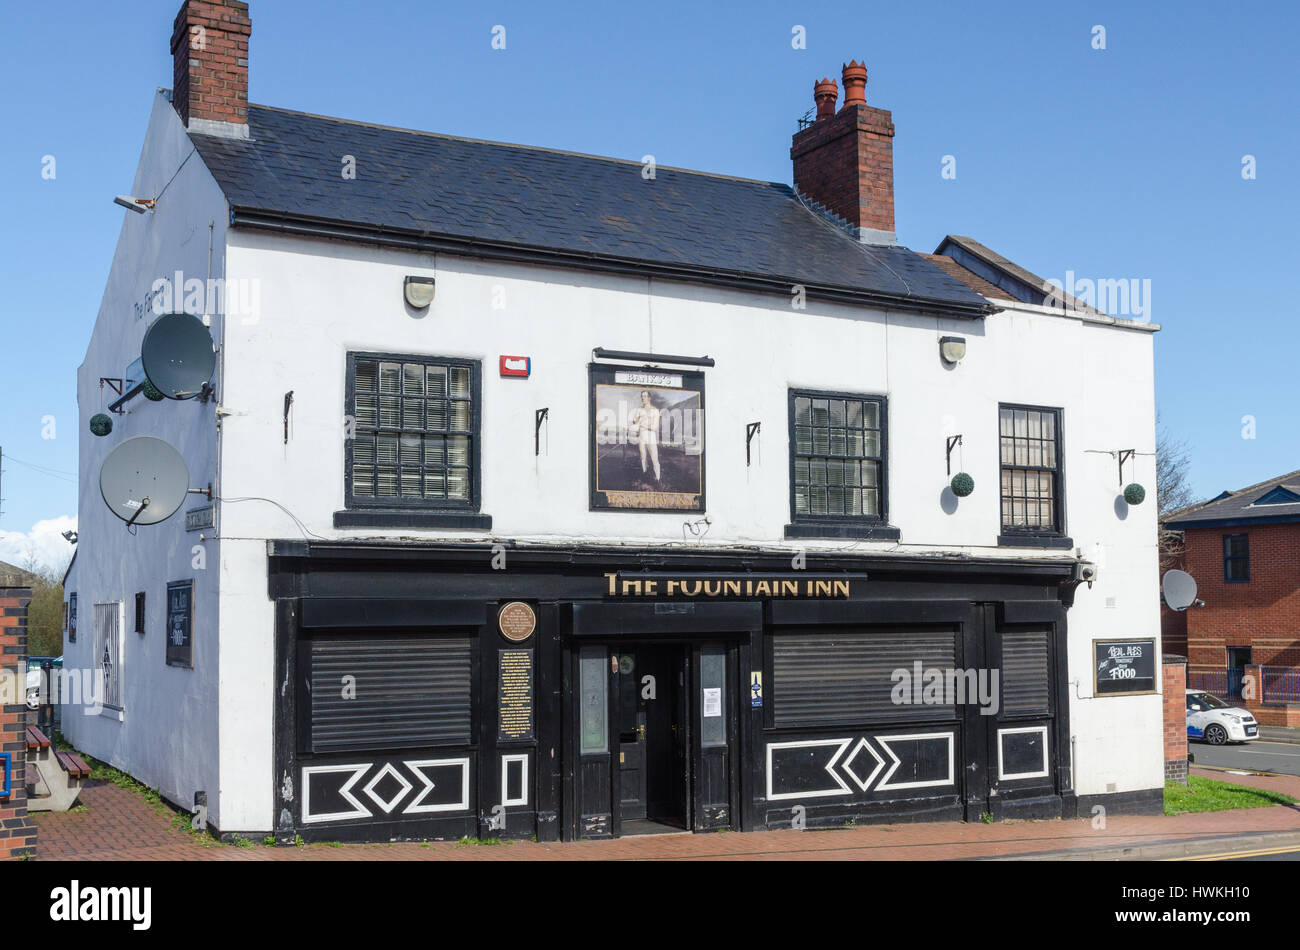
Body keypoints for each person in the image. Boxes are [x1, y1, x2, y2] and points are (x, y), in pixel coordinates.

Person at [628, 390, 661, 482]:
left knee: (654, 459)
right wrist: (636, 421)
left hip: (651, 437)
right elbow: (635, 422)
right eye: (642, 396)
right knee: (643, 457)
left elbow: (654, 427)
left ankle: (658, 479)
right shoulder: (639, 410)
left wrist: (642, 424)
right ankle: (645, 474)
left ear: (649, 398)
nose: (643, 398)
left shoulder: (655, 411)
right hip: (642, 437)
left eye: (645, 396)